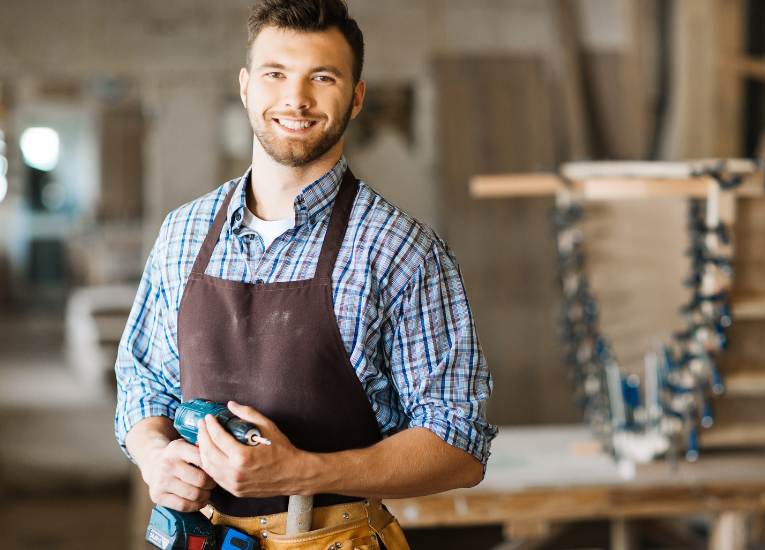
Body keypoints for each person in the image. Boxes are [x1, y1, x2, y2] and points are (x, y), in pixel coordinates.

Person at [114, 0, 496, 546]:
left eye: (322, 77)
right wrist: (156, 456)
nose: (296, 98)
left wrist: (305, 473)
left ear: (356, 97)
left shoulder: (400, 250)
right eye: (276, 74)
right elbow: (143, 382)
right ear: (246, 86)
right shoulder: (184, 233)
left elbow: (459, 445)